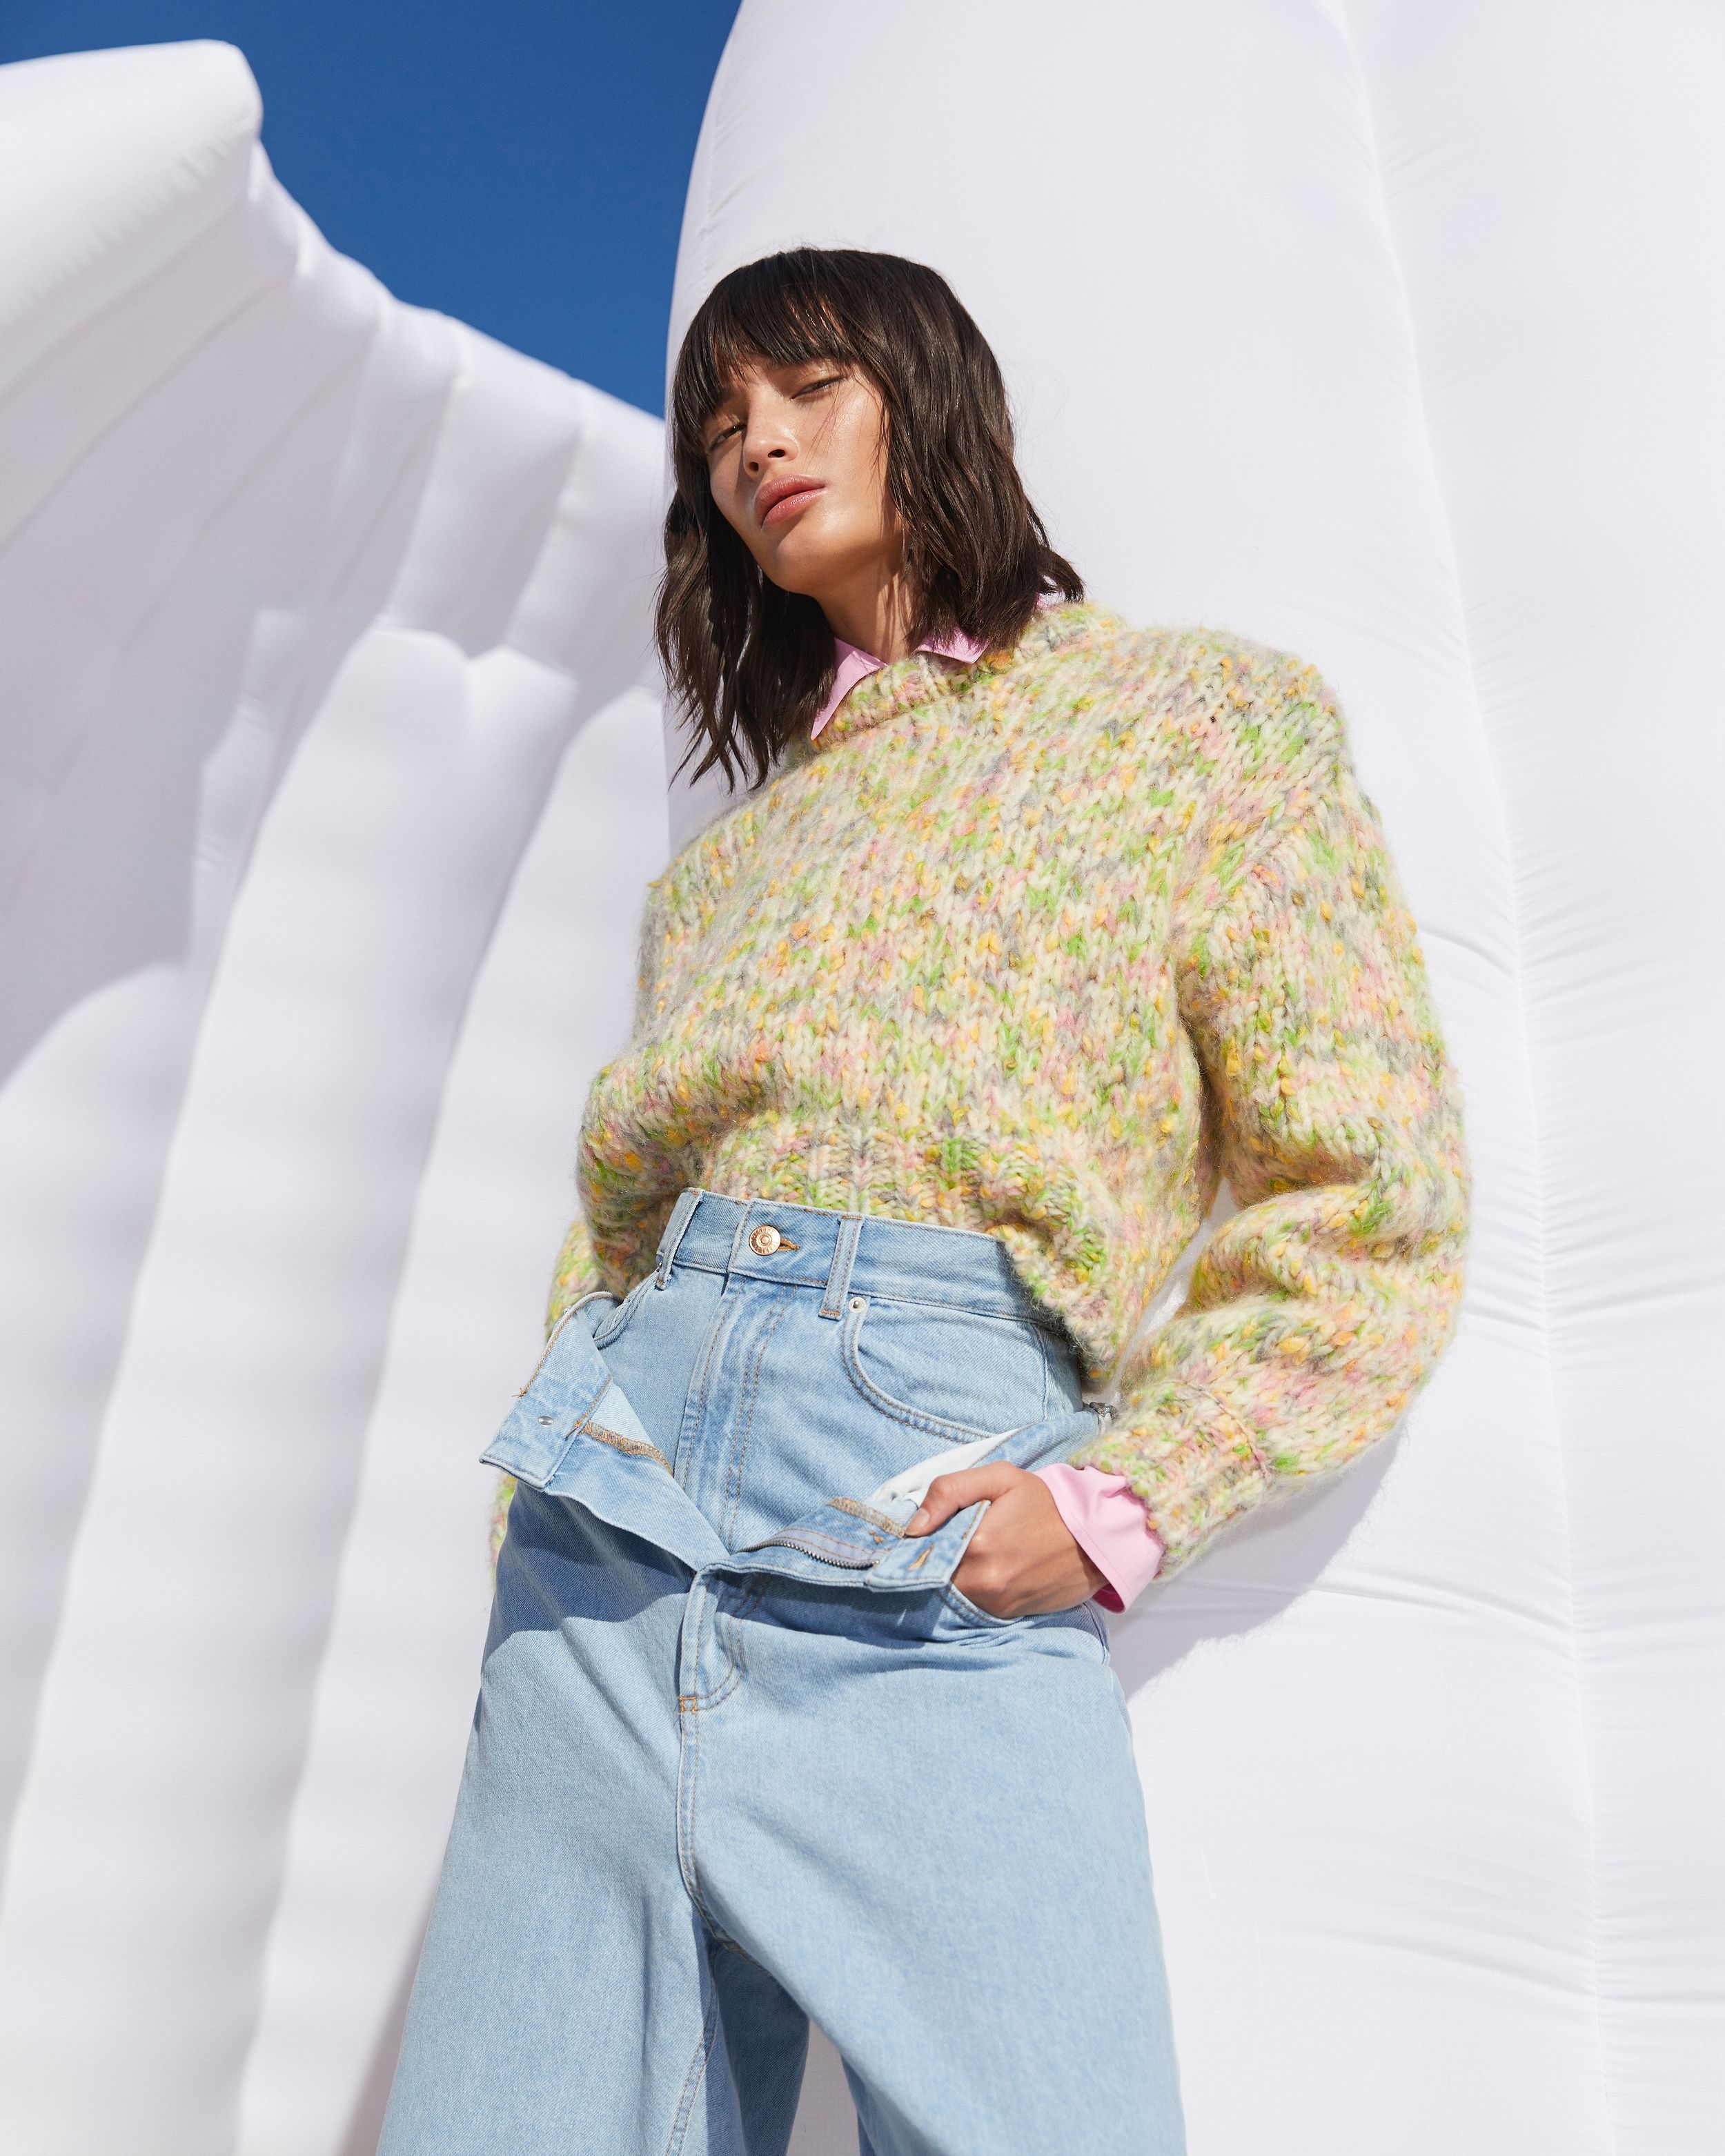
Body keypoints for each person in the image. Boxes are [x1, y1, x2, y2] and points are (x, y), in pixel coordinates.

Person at [379, 248, 1470, 2156]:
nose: (755, 449)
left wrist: (1123, 1505)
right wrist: (546, 1505)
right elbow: (623, 1226)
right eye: (718, 430)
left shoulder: (1195, 728)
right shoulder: (727, 871)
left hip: (920, 1500)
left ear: (929, 390)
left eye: (804, 388)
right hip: (608, 1534)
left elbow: (1364, 1196)